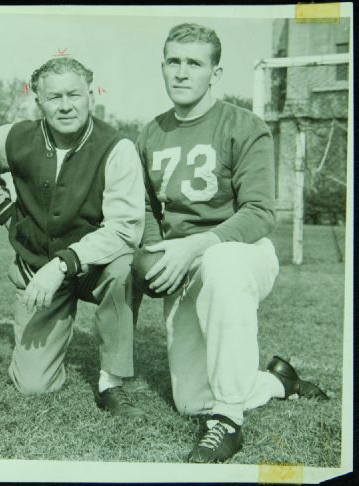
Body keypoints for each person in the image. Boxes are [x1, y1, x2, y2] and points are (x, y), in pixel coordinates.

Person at [136, 23, 328, 462]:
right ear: (162, 66)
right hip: (184, 263)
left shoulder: (245, 125)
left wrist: (193, 246)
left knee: (220, 262)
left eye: (194, 63)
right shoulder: (150, 132)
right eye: (173, 62)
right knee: (189, 401)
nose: (182, 73)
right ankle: (280, 383)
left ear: (215, 73)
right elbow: (147, 209)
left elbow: (261, 213)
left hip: (242, 254)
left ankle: (227, 421)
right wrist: (157, 255)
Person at [0, 57, 146, 417]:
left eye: (74, 94)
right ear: (38, 102)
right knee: (32, 385)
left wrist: (64, 263)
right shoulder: (14, 137)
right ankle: (54, 336)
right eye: (54, 97)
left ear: (90, 95)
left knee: (125, 269)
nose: (65, 105)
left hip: (95, 267)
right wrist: (5, 211)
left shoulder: (117, 147)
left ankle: (111, 382)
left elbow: (125, 229)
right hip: (37, 267)